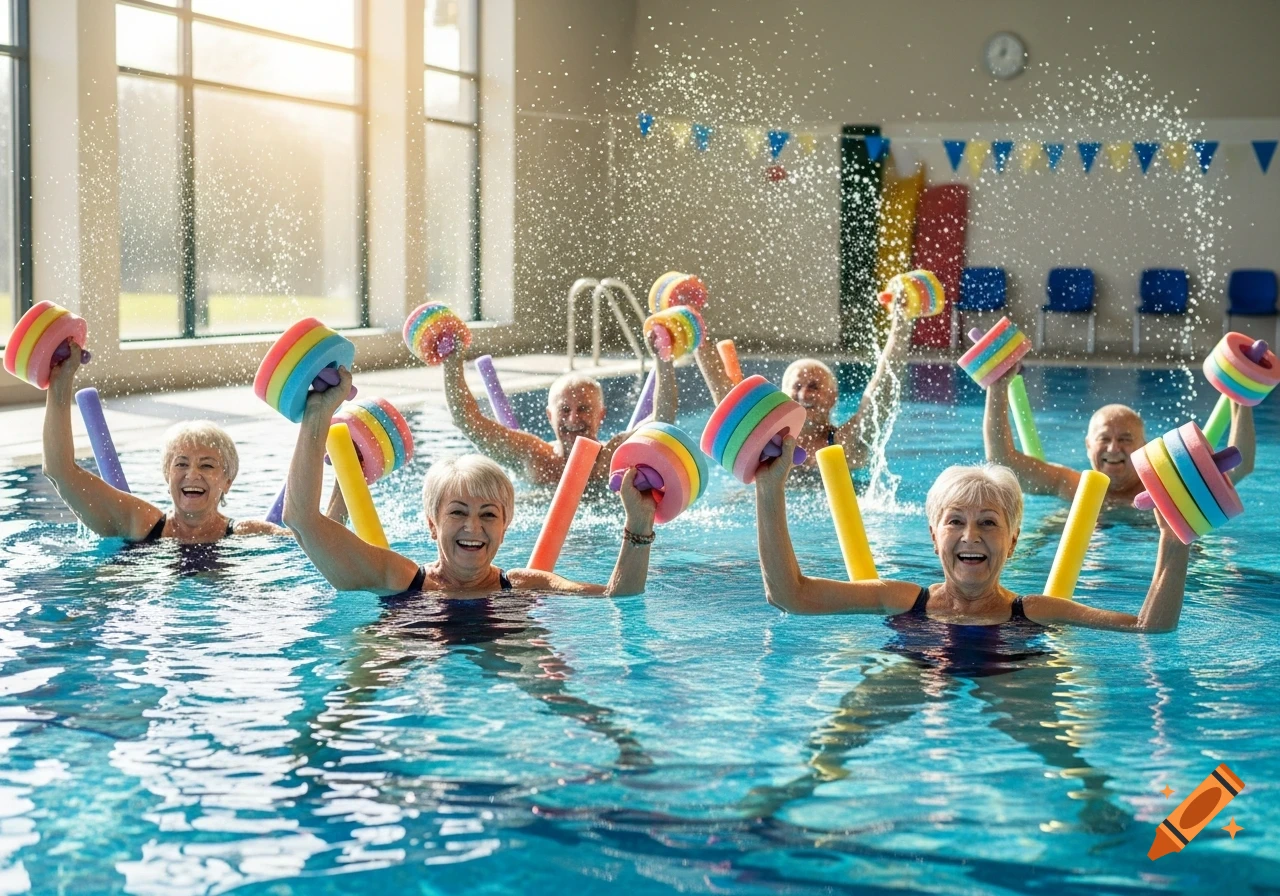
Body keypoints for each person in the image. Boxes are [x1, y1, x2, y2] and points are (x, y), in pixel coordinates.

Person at [285, 367, 657, 596]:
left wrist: (639, 525)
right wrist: (317, 413)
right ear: (432, 524)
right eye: (458, 512)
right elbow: (301, 518)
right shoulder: (395, 578)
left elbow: (618, 597)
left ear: (505, 527)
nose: (473, 527)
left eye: (489, 515)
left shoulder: (525, 586)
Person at [753, 444, 1189, 632]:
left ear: (1013, 541)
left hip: (1012, 682)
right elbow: (790, 596)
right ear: (933, 536)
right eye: (955, 521)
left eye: (989, 523)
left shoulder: (1036, 611)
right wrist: (769, 490)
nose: (970, 536)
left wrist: (1174, 541)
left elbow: (1147, 629)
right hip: (920, 681)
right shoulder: (899, 599)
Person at [41, 344, 283, 543]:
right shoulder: (139, 523)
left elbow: (303, 541)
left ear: (227, 481)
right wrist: (60, 383)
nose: (192, 474)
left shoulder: (250, 534)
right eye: (181, 464)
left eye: (207, 465)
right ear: (167, 475)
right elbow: (59, 471)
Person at [984, 364, 1255, 506]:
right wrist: (997, 387)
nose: (1113, 449)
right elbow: (1002, 461)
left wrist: (1243, 400)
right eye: (1104, 439)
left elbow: (1238, 467)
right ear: (1088, 445)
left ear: (1143, 447)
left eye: (1125, 439)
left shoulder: (1166, 489)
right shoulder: (1069, 485)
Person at [443, 348, 677, 487]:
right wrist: (452, 361)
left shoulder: (614, 455)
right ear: (549, 416)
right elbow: (467, 422)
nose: (573, 419)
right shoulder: (533, 456)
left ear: (601, 416)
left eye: (584, 409)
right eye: (565, 410)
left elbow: (662, 420)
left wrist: (663, 358)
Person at [780, 303, 914, 475]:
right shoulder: (769, 445)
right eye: (797, 386)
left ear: (832, 398)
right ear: (783, 396)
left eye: (814, 386)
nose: (804, 394)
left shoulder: (844, 443)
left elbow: (881, 393)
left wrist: (900, 323)